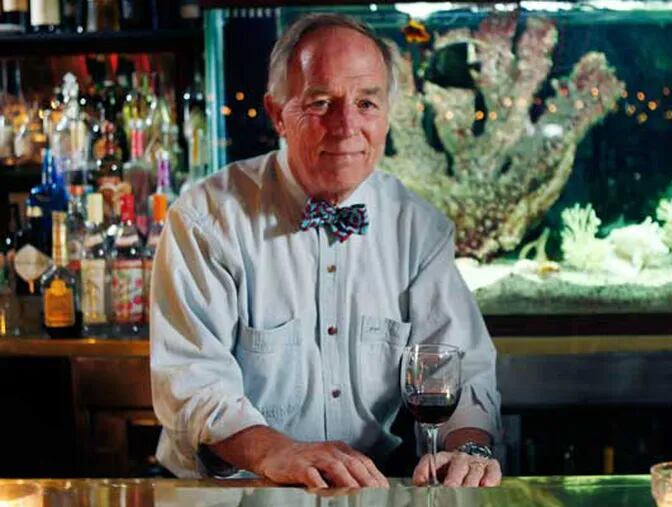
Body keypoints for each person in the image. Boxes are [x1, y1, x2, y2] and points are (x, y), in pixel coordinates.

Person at [150, 13, 502, 488]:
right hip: (232, 489)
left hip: (369, 489)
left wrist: (468, 450)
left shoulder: (418, 227)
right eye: (321, 103)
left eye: (366, 103)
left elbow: (461, 368)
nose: (346, 126)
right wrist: (278, 453)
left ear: (387, 114)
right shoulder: (207, 220)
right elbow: (193, 381)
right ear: (278, 113)